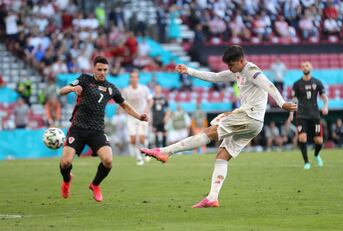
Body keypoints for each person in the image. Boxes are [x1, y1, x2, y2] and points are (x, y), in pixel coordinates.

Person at [140, 45, 297, 208]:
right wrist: (189, 70)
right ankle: (212, 197)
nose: (229, 68)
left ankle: (165, 151)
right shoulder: (238, 71)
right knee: (222, 155)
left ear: (241, 60)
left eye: (231, 65)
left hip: (248, 115)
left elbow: (269, 85)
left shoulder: (252, 71)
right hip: (254, 122)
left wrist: (282, 103)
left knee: (210, 131)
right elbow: (214, 77)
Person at [59, 56, 148, 202]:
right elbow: (62, 91)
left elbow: (124, 105)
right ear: (93, 68)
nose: (102, 72)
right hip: (78, 129)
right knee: (65, 163)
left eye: (105, 70)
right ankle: (67, 179)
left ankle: (95, 185)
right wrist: (72, 88)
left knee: (108, 161)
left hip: (96, 130)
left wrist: (139, 116)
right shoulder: (84, 79)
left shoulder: (111, 88)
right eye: (99, 69)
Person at [288, 61, 328, 170]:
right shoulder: (297, 84)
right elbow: (294, 100)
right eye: (303, 66)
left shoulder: (317, 82)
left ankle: (316, 155)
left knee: (319, 141)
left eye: (307, 66)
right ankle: (306, 162)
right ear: (301, 69)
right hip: (301, 115)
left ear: (311, 67)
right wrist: (291, 113)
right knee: (302, 138)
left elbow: (324, 96)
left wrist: (325, 106)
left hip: (315, 115)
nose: (305, 68)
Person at [122, 70, 153, 166]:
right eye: (132, 77)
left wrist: (147, 109)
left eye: (135, 77)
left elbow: (150, 100)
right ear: (130, 79)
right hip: (131, 117)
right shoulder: (126, 90)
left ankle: (147, 152)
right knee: (133, 139)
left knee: (142, 139)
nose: (133, 79)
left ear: (138, 78)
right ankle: (139, 158)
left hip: (142, 116)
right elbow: (123, 103)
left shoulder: (144, 89)